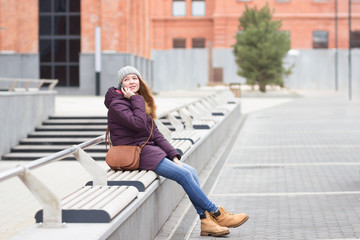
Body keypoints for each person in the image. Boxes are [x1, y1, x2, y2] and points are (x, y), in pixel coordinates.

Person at [104, 66, 249, 236]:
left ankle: (205, 221)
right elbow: (138, 124)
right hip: (134, 152)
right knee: (184, 175)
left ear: (140, 80)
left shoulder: (137, 101)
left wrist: (173, 155)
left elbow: (155, 133)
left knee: (190, 170)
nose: (131, 82)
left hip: (147, 150)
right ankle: (217, 213)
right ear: (121, 84)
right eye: (126, 79)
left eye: (134, 78)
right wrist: (136, 100)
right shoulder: (117, 104)